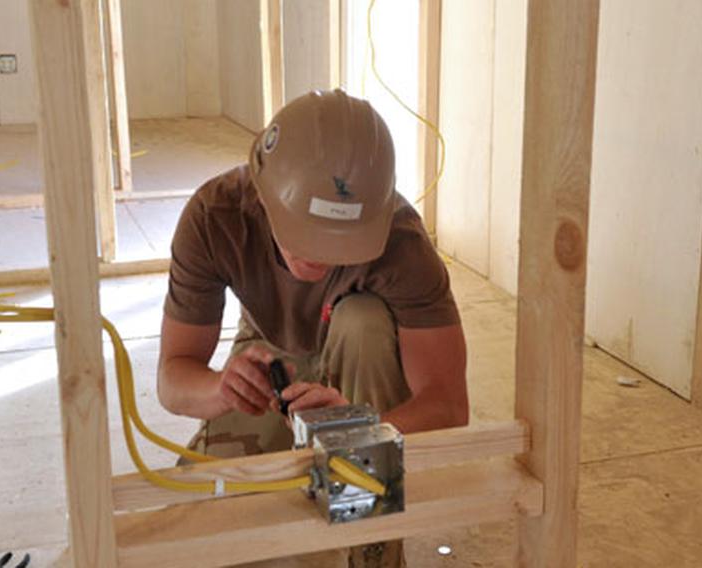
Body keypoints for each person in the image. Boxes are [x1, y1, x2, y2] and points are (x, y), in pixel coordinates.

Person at [157, 89, 469, 567]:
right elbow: (174, 380)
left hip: (366, 366)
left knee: (362, 318)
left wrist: (365, 430)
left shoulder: (401, 243)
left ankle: (374, 549)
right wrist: (224, 388)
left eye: (340, 242)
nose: (320, 256)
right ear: (262, 197)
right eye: (305, 235)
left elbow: (447, 404)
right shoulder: (214, 217)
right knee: (206, 532)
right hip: (269, 354)